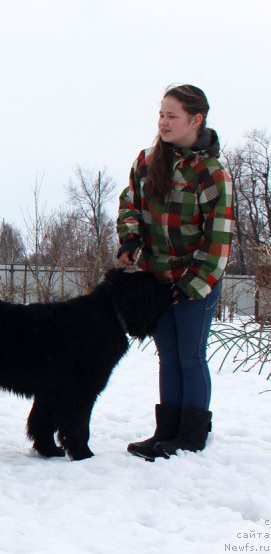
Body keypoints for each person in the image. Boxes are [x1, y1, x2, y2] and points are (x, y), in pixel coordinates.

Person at [116, 84, 234, 461]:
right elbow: (129, 204)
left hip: (197, 279)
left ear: (196, 119)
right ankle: (166, 432)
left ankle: (191, 435)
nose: (163, 123)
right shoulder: (148, 161)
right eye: (161, 115)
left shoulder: (212, 174)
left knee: (190, 355)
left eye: (172, 116)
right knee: (168, 355)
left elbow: (218, 239)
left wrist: (192, 284)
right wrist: (130, 239)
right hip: (156, 278)